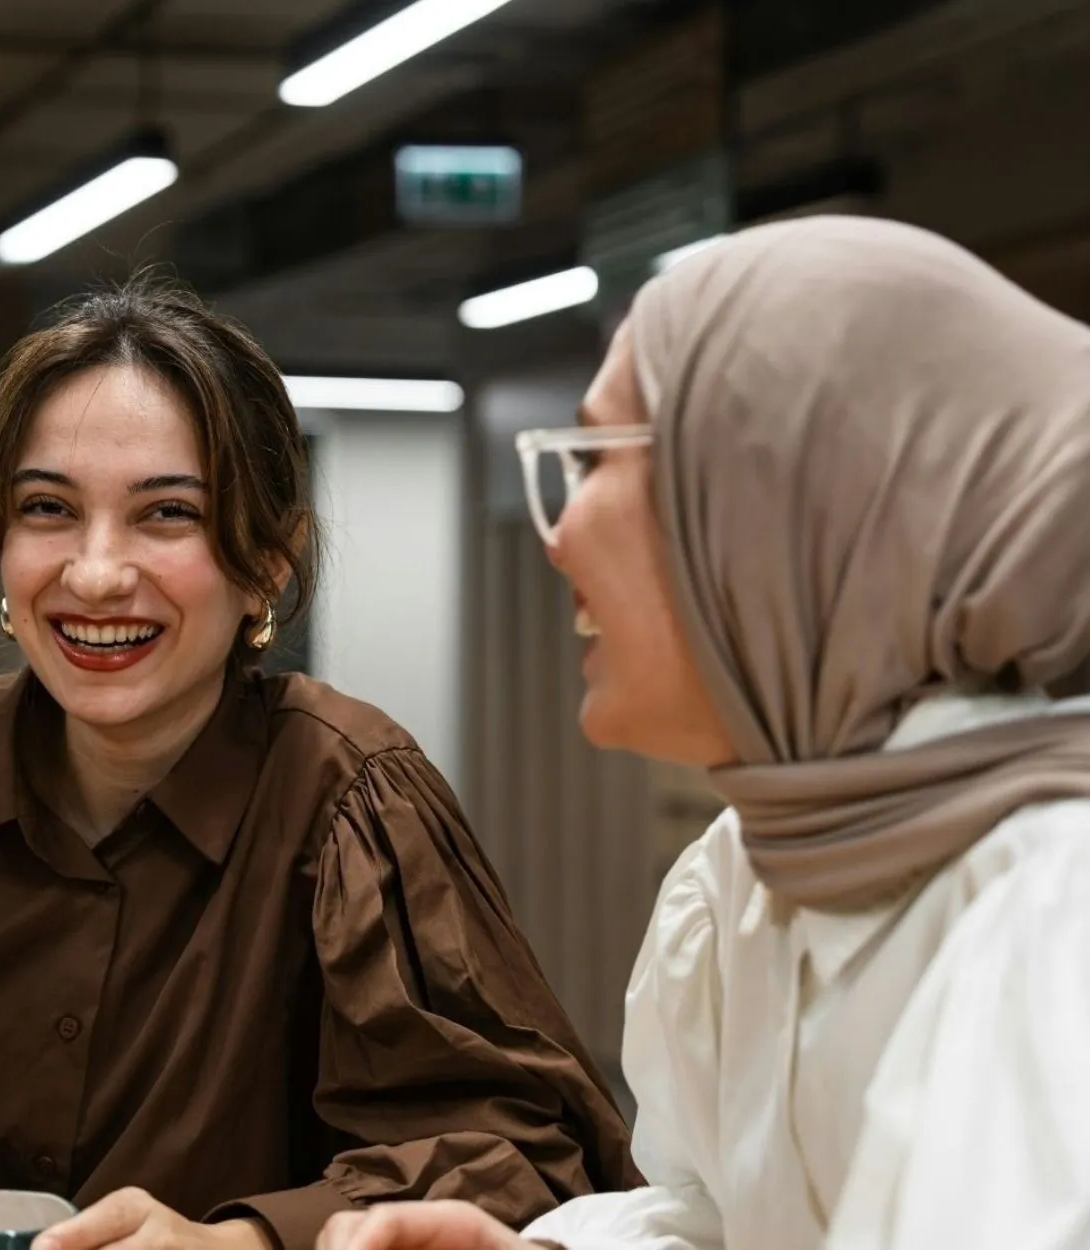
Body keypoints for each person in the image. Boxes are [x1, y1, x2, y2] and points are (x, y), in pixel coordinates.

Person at [0, 277, 637, 1250]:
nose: (95, 573)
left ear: (268, 559)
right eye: (48, 508)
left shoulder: (350, 794)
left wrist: (246, 1240)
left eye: (166, 513)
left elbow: (522, 1158)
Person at [315, 216, 1090, 1250]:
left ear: (788, 515)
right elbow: (719, 1217)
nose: (560, 531)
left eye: (599, 458)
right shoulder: (747, 873)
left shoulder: (1053, 915)